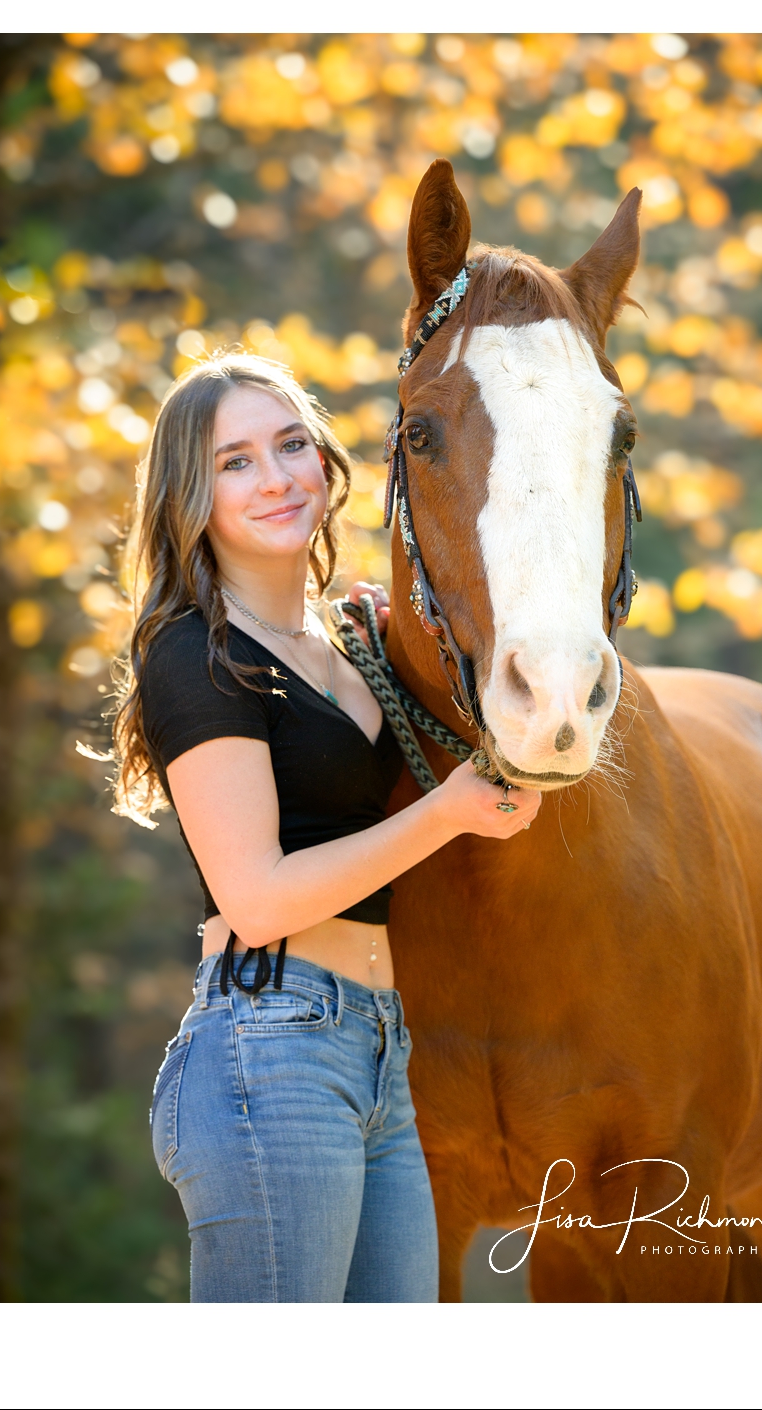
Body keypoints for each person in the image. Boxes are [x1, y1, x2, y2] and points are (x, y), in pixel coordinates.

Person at [106, 352, 540, 1300]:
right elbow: (256, 899)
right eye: (236, 462)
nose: (276, 478)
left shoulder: (347, 641)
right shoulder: (195, 653)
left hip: (380, 1049)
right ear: (191, 494)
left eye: (292, 444)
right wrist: (449, 813)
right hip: (270, 1046)